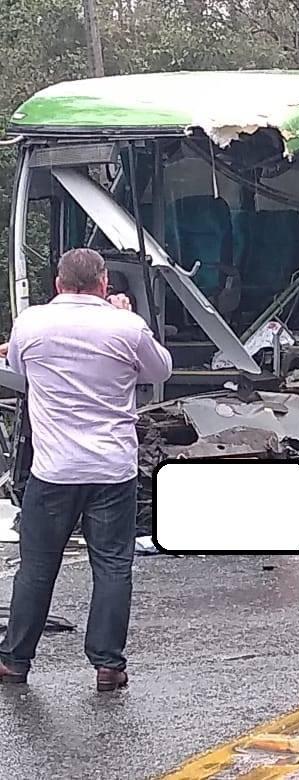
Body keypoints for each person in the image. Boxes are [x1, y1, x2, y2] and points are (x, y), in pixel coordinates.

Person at [0, 248, 173, 691]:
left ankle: (15, 661)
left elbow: (19, 367)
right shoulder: (127, 327)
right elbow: (161, 371)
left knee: (37, 568)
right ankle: (108, 664)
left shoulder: (31, 323)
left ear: (58, 284)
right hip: (112, 469)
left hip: (54, 469)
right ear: (104, 284)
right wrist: (130, 318)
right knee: (113, 566)